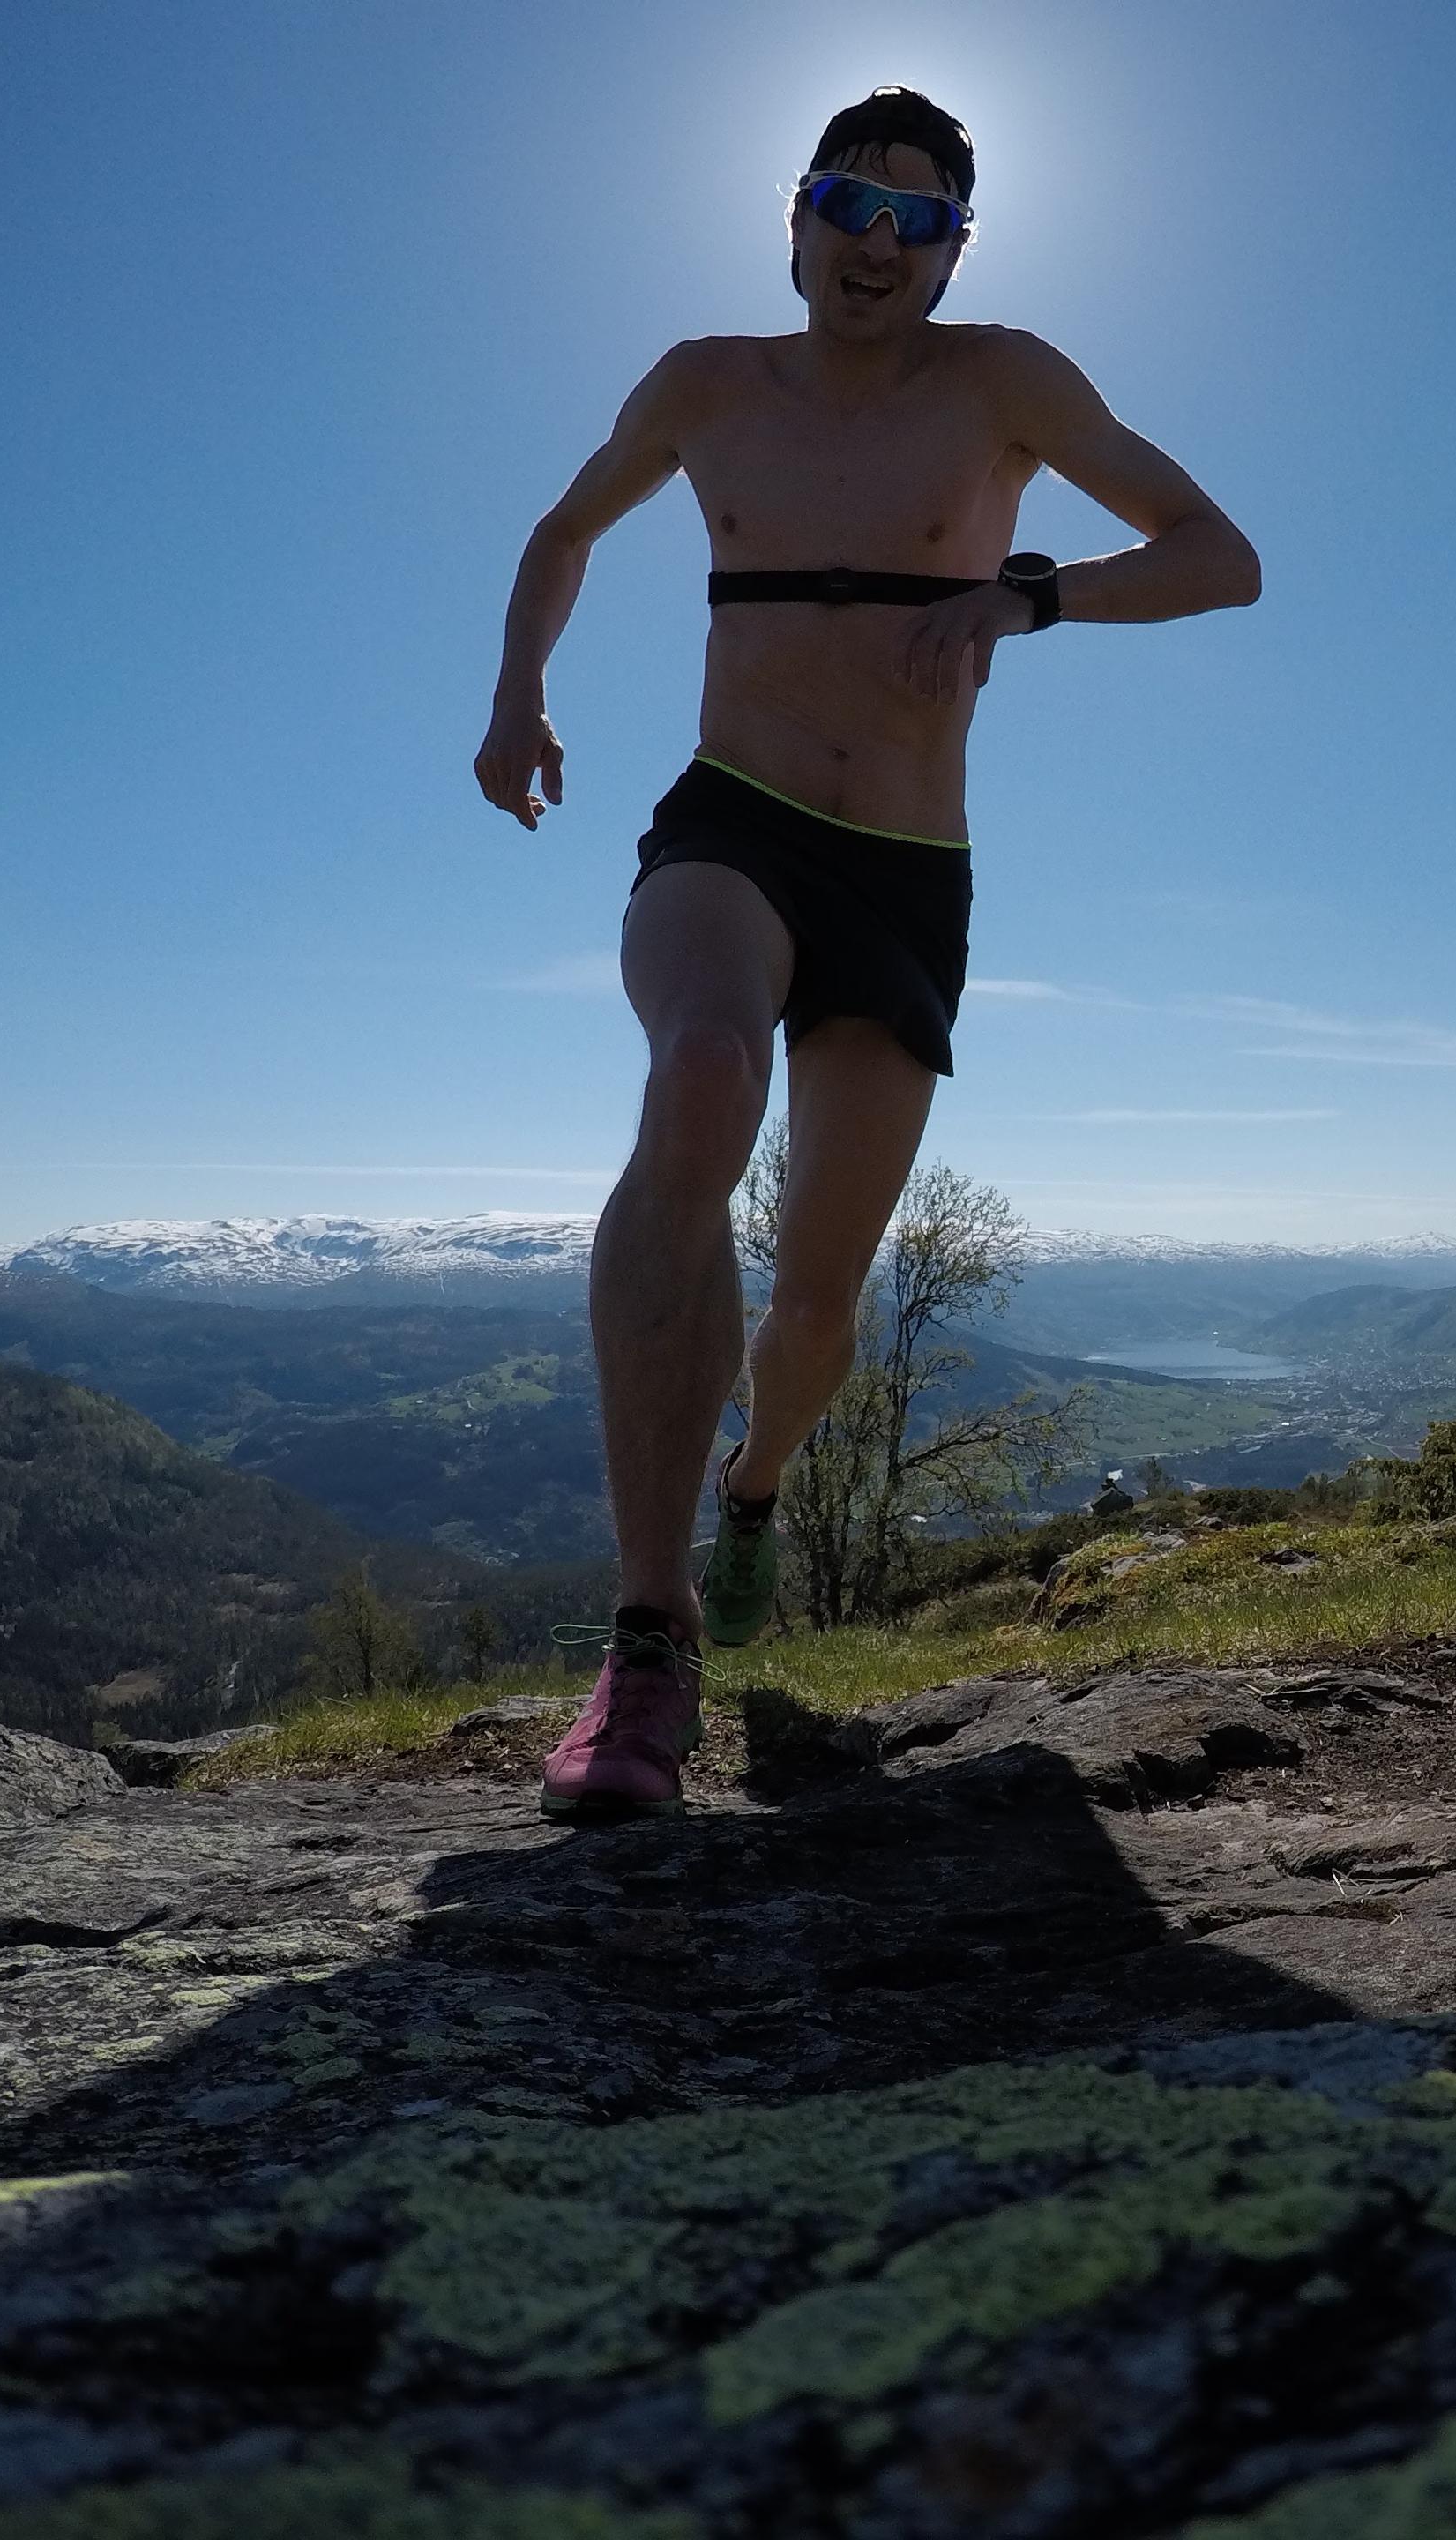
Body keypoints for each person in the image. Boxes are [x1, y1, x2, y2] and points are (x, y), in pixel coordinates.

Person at [473, 86, 1258, 1819]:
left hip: (906, 872)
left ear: (956, 249)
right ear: (797, 215)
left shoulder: (1007, 385)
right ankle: (649, 1640)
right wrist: (520, 695)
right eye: (852, 205)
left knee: (821, 1295)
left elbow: (1226, 558)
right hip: (729, 821)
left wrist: (1030, 595)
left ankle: (755, 1489)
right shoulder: (703, 386)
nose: (879, 245)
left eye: (921, 222)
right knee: (695, 1091)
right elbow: (562, 529)